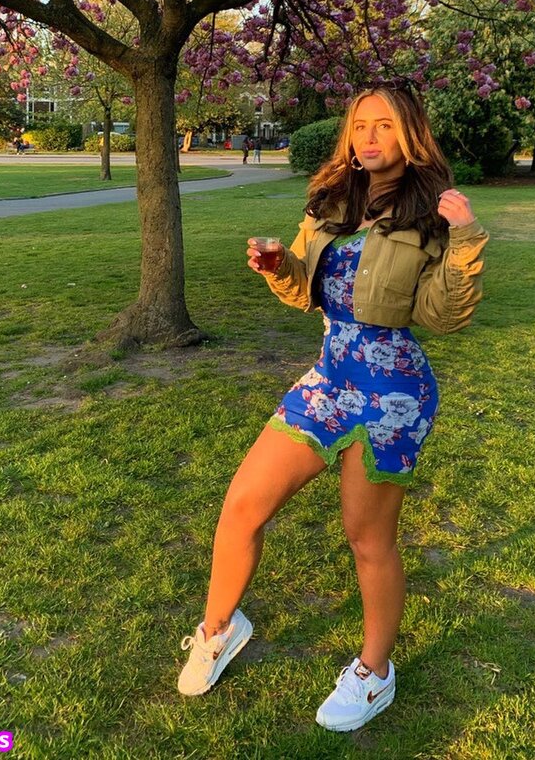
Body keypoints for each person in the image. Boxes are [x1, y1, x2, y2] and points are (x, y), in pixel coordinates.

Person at [177, 84, 489, 732]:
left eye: (385, 125)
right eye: (360, 125)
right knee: (242, 504)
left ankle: (375, 672)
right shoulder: (330, 203)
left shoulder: (433, 213)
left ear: (410, 135)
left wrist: (465, 240)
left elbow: (442, 316)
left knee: (367, 538)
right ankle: (218, 629)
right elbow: (305, 292)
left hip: (394, 391)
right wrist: (277, 267)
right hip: (329, 378)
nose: (369, 137)